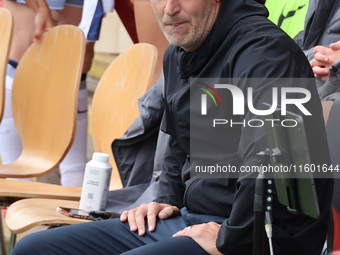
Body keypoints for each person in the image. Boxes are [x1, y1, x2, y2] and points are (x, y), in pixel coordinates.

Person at [11, 0, 332, 254]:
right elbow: (178, 141)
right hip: (195, 220)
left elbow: (276, 167)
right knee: (35, 248)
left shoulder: (266, 53)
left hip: (261, 236)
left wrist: (231, 239)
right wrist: (167, 198)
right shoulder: (183, 51)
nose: (169, 8)